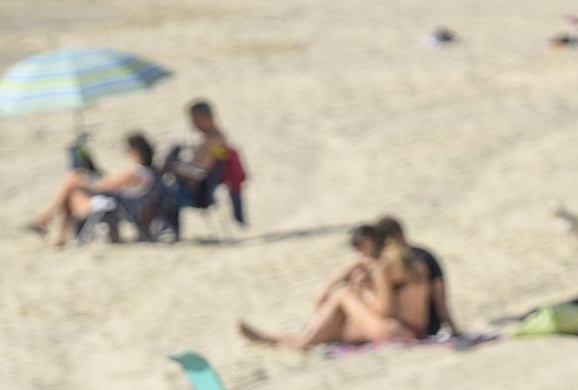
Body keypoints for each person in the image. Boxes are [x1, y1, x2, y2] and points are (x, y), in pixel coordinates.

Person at [239, 224, 422, 349]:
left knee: (343, 295)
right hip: (399, 328)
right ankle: (276, 339)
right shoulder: (395, 265)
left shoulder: (382, 267)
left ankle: (294, 342)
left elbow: (386, 310)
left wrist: (359, 293)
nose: (361, 252)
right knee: (336, 328)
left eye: (362, 246)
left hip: (396, 330)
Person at [28, 132, 160, 246]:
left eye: (127, 150)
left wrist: (80, 182)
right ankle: (50, 227)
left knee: (72, 183)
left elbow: (104, 185)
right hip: (116, 205)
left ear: (134, 151)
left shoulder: (135, 173)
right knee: (72, 189)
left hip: (113, 206)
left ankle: (47, 222)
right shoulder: (149, 173)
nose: (126, 153)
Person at [372, 216, 459, 338]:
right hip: (431, 326)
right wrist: (454, 330)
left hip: (407, 326)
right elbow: (441, 301)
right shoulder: (426, 256)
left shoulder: (390, 263)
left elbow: (386, 308)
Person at [162, 100, 233, 206]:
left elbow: (200, 173)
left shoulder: (213, 140)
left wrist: (173, 167)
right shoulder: (215, 138)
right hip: (200, 189)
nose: (193, 124)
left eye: (195, 120)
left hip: (196, 194)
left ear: (205, 118)